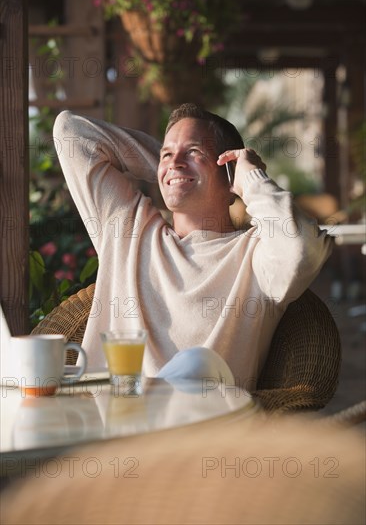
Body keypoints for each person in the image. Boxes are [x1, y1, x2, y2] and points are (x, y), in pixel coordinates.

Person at [53, 103, 332, 390]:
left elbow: (304, 249)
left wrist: (247, 180)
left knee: (198, 363)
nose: (175, 161)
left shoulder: (257, 257)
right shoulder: (128, 231)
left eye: (194, 152)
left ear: (231, 172)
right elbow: (71, 132)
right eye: (168, 154)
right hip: (109, 419)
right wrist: (173, 172)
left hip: (198, 427)